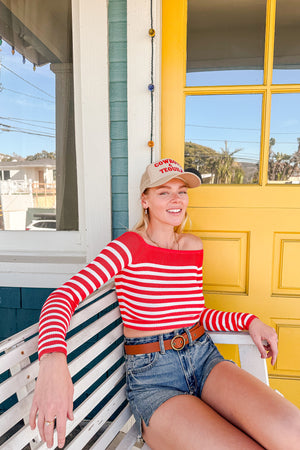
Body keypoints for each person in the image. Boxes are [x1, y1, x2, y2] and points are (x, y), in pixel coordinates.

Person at [30, 158, 300, 449]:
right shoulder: (128, 248)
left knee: (292, 432)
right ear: (144, 200)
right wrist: (53, 359)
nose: (176, 199)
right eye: (164, 192)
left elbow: (194, 314)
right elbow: (63, 296)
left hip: (204, 358)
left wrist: (249, 321)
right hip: (155, 379)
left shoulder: (192, 246)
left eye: (181, 191)